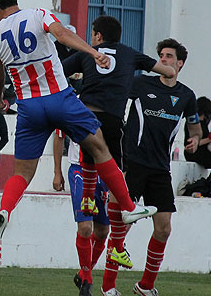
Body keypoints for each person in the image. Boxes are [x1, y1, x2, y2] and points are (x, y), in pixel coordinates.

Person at [0, 0, 156, 260]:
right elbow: (61, 35)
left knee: (22, 173)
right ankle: (127, 206)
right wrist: (92, 52)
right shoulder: (38, 14)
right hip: (60, 99)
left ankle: (4, 212)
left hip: (28, 106)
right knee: (99, 146)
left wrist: (0, 97)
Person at [61, 15, 175, 292]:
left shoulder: (86, 53)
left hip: (86, 115)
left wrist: (79, 75)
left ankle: (88, 201)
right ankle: (119, 240)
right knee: (114, 170)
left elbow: (59, 70)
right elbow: (167, 71)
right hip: (112, 119)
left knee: (89, 157)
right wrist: (160, 70)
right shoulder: (129, 54)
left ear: (98, 36)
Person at [114, 38, 201, 296]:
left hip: (161, 169)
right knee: (122, 226)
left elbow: (194, 127)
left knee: (163, 229)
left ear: (180, 63)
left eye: (169, 56)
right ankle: (107, 285)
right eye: (161, 55)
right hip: (134, 164)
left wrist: (194, 139)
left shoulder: (186, 96)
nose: (163, 59)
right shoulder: (140, 83)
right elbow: (117, 97)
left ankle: (146, 286)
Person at [53, 130, 110, 296]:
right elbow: (59, 137)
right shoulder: (70, 103)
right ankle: (87, 280)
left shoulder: (109, 104)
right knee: (85, 227)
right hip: (79, 170)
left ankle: (82, 274)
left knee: (103, 231)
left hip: (103, 169)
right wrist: (57, 172)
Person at [184, 96, 211, 168]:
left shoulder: (204, 124)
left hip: (203, 152)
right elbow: (190, 144)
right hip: (194, 153)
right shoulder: (193, 124)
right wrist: (209, 139)